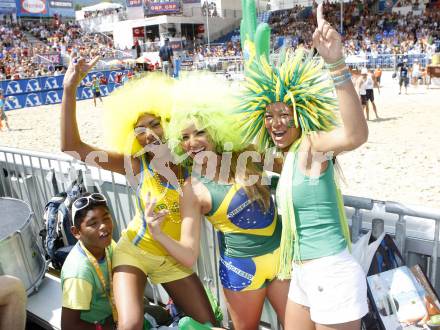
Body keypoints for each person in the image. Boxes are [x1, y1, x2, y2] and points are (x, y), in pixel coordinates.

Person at [61, 56, 216, 330]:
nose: (150, 134)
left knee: (209, 324)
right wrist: (69, 89)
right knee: (130, 324)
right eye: (140, 129)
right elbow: (72, 147)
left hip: (173, 258)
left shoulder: (193, 159)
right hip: (134, 252)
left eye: (155, 124)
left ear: (170, 121)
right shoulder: (135, 164)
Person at [238, 3, 369, 329]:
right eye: (269, 116)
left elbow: (355, 134)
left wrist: (335, 64)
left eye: (285, 114)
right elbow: (236, 158)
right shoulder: (291, 156)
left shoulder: (311, 145)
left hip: (331, 273)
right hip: (301, 273)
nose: (276, 123)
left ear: (302, 114)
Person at [148, 75, 290, 330]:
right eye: (185, 137)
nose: (192, 142)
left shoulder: (248, 155)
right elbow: (189, 255)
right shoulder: (191, 190)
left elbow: (290, 160)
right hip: (242, 271)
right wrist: (157, 234)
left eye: (199, 132)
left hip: (283, 259)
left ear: (215, 129)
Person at [61, 192, 117, 330]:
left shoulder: (107, 244)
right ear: (76, 232)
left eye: (106, 218)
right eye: (93, 223)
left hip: (115, 313)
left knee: (161, 316)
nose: (103, 226)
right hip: (98, 325)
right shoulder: (79, 272)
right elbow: (68, 326)